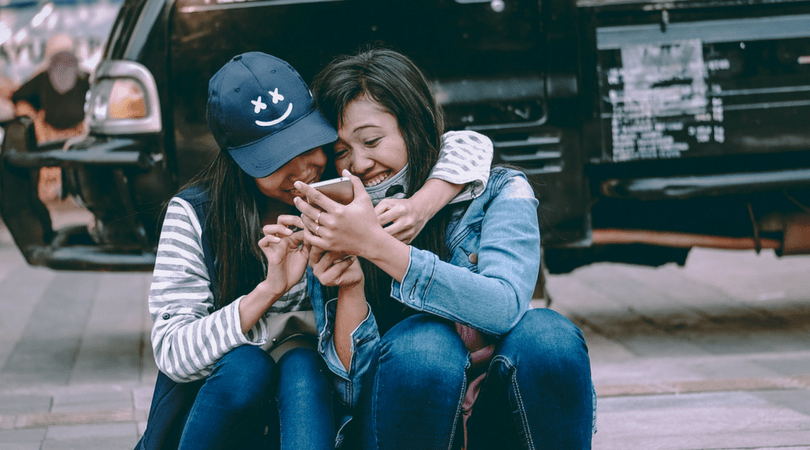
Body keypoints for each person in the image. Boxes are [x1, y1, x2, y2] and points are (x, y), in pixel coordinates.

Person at [137, 51, 494, 450]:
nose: (303, 169)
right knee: (246, 366)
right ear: (239, 161)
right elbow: (172, 352)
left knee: (302, 364)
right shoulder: (196, 216)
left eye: (308, 145)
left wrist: (420, 206)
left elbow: (470, 146)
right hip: (223, 404)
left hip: (317, 398)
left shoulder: (344, 189)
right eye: (274, 160)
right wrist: (268, 290)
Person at [292, 48, 595, 449]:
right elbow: (351, 390)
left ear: (413, 126)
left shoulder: (500, 191)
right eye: (342, 152)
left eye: (372, 140)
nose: (360, 163)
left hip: (497, 412)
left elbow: (504, 306)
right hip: (396, 418)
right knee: (423, 346)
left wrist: (379, 246)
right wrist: (350, 288)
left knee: (549, 336)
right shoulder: (337, 223)